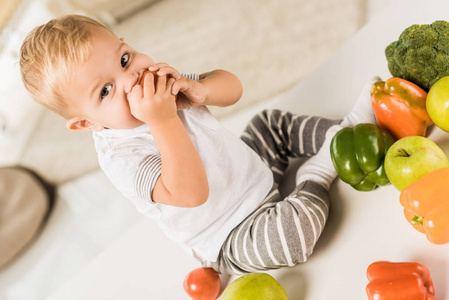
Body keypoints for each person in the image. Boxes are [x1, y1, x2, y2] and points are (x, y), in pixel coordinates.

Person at [19, 14, 378, 274]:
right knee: (293, 239)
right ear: (88, 122)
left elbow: (233, 88)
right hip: (230, 232)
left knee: (270, 123)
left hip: (252, 169)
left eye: (125, 59)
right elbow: (190, 193)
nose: (132, 79)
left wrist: (202, 89)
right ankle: (320, 171)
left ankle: (349, 135)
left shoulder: (161, 85)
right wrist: (162, 120)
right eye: (106, 90)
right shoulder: (121, 157)